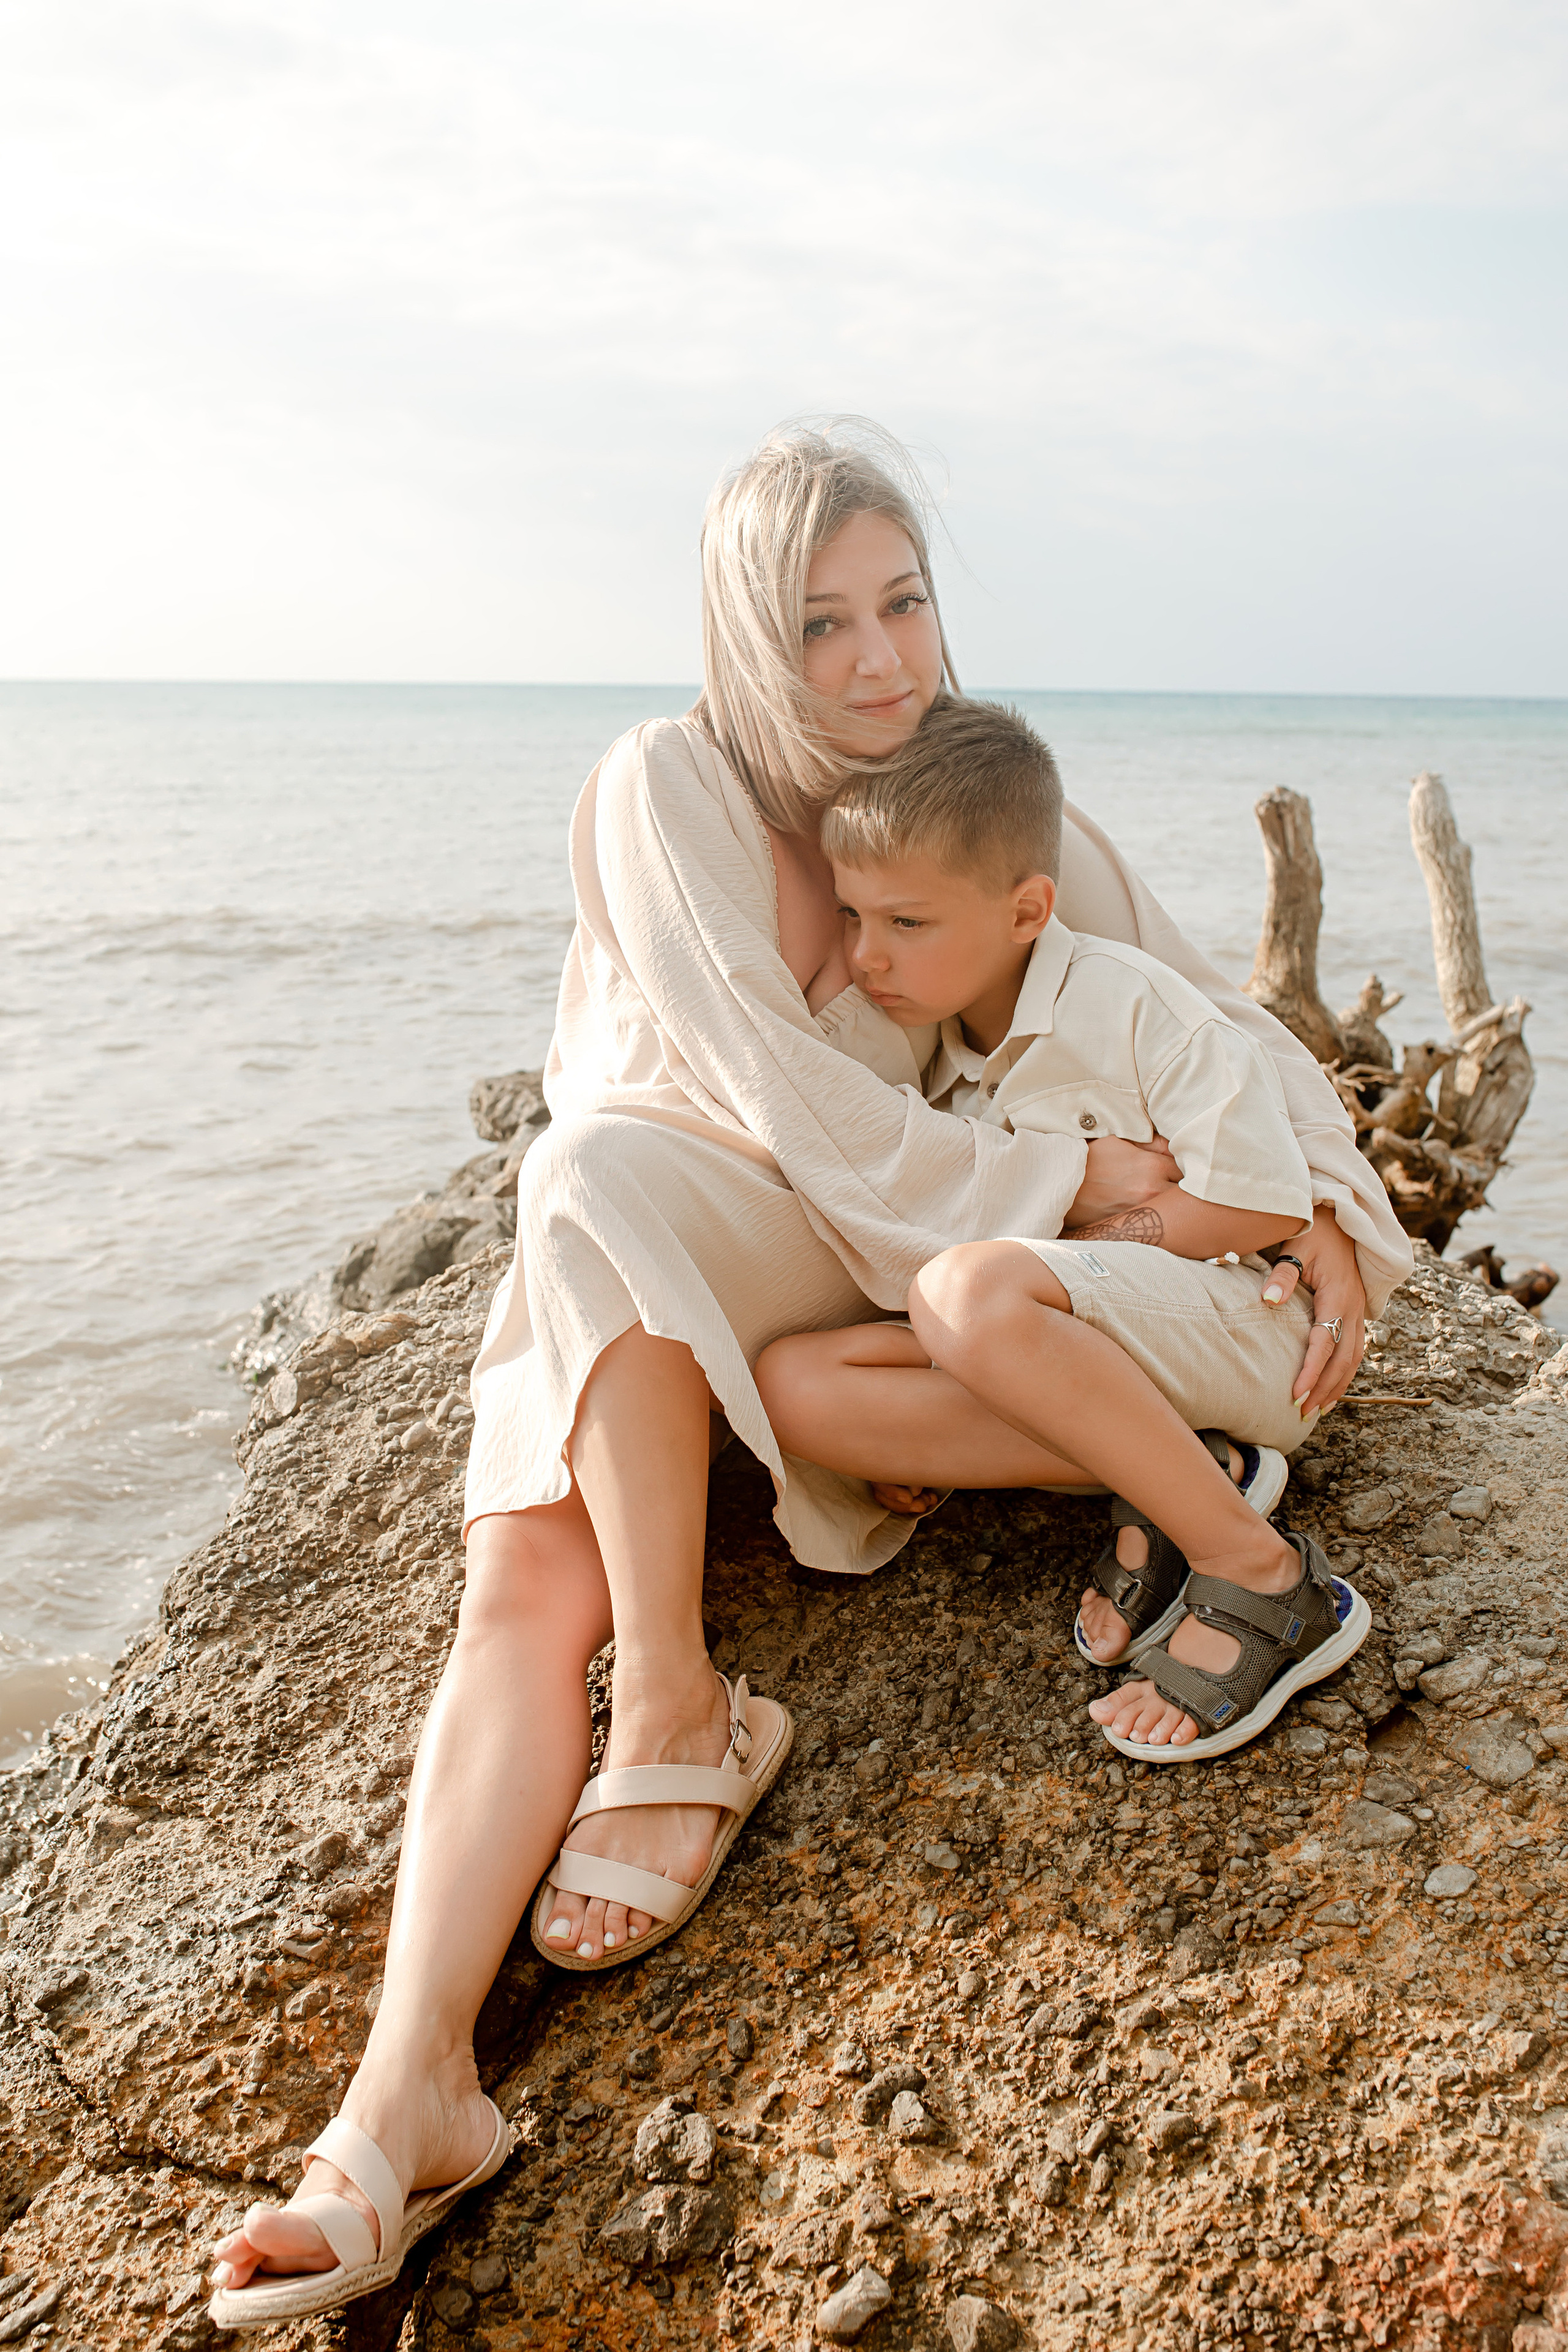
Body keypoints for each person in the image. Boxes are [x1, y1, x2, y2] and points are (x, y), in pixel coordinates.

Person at [209, 420, 1411, 2324]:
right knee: (528, 1546)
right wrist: (1074, 1181)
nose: (876, 660)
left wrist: (1325, 1200)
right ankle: (406, 2092)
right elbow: (783, 1107)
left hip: (853, 1274)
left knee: (598, 1198)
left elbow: (1202, 1005)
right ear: (741, 637)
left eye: (903, 603)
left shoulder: (971, 797)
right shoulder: (665, 783)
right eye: (820, 622)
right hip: (698, 1233)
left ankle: (695, 1702)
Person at [756, 695, 1373, 1762]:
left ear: (1027, 911)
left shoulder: (1130, 1003)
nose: (865, 957)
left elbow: (1261, 1201)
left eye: (907, 923)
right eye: (852, 917)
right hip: (1109, 1353)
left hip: (1256, 1334)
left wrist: (1066, 1258)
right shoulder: (942, 1065)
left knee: (965, 1290)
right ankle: (1189, 1470)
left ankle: (1265, 1576)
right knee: (791, 1386)